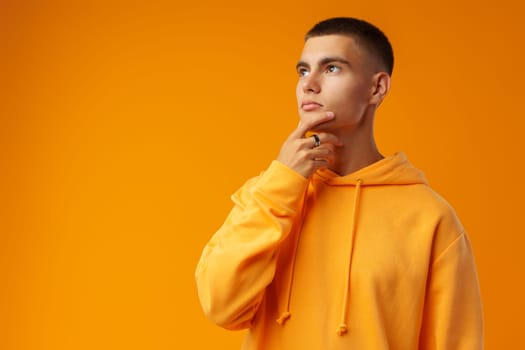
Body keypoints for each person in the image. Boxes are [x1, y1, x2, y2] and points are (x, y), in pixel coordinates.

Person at [195, 17, 483, 349]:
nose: (309, 84)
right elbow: (220, 306)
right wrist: (282, 185)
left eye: (331, 68)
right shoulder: (267, 193)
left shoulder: (432, 218)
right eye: (303, 71)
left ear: (377, 88)